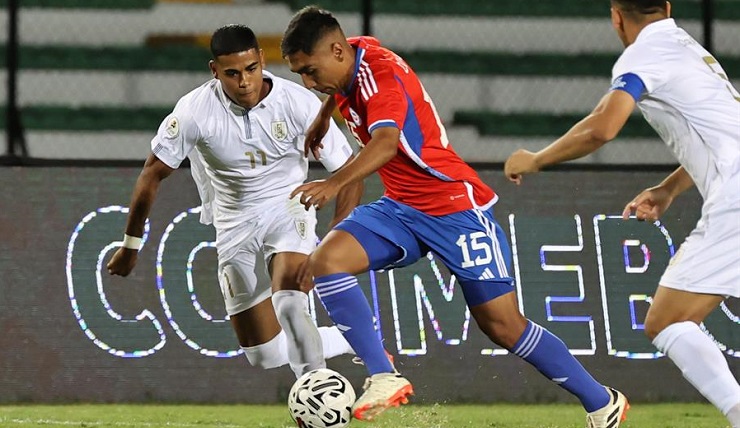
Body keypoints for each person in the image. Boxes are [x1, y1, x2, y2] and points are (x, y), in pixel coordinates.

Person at [281, 7, 629, 426]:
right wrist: (323, 116)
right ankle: (384, 375)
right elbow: (348, 76)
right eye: (301, 73)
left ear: (337, 51)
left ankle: (602, 402)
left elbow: (386, 143)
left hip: (454, 208)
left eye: (311, 71)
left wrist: (333, 183)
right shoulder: (353, 56)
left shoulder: (381, 78)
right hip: (402, 207)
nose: (308, 82)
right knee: (326, 261)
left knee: (503, 326)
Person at [504, 1, 740, 426]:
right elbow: (722, 136)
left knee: (668, 320)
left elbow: (602, 126)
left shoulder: (643, 54)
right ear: (666, 6)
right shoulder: (690, 49)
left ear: (616, 16)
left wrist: (536, 159)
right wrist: (668, 188)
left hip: (735, 198)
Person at [107, 24, 362, 379]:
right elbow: (151, 174)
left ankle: (318, 394)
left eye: (251, 69)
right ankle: (355, 338)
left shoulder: (298, 103)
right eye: (232, 73)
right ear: (215, 71)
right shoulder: (195, 110)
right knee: (264, 354)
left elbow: (349, 171)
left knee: (289, 302)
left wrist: (334, 239)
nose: (244, 81)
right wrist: (131, 245)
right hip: (233, 223)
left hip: (288, 208)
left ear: (262, 60)